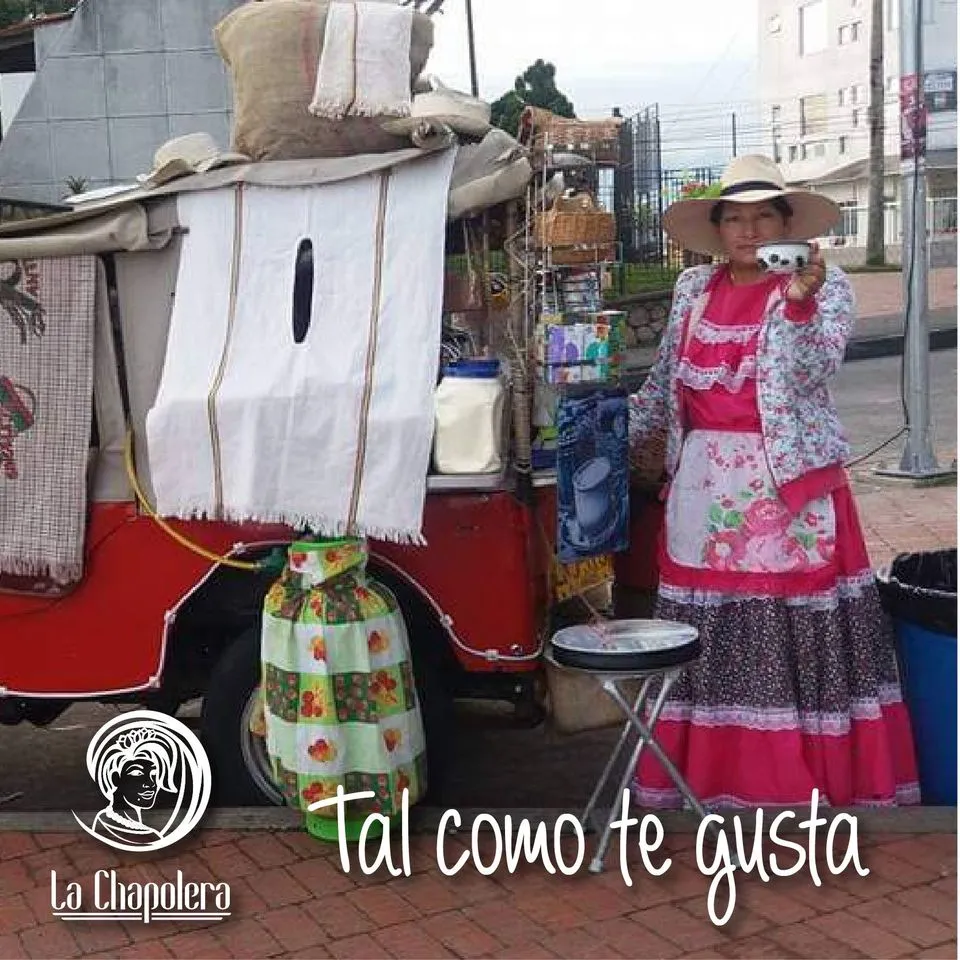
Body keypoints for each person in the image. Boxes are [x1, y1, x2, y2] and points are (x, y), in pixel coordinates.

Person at [628, 155, 919, 808]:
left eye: (765, 216)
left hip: (787, 495)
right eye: (736, 218)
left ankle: (797, 787)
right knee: (709, 642)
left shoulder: (826, 288)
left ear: (788, 225)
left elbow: (807, 374)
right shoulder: (692, 292)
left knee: (790, 636)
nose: (750, 230)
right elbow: (663, 383)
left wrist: (795, 306)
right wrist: (599, 430)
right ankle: (705, 784)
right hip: (705, 496)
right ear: (717, 226)